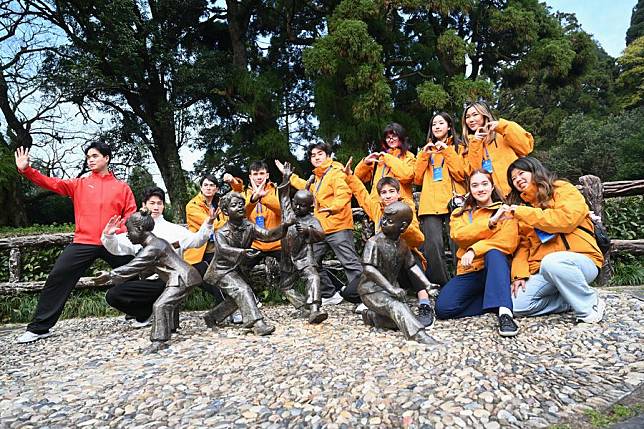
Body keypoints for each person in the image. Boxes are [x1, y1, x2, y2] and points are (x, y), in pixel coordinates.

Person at [14, 143, 137, 344]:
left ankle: (140, 313)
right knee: (57, 278)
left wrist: (118, 229)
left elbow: (130, 214)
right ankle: (39, 328)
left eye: (95, 156)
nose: (90, 159)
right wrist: (27, 170)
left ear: (106, 158)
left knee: (132, 273)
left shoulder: (122, 187)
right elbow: (50, 183)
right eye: (88, 156)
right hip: (84, 241)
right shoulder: (79, 183)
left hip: (113, 240)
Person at [506, 157, 605, 323]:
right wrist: (519, 275)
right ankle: (572, 299)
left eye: (521, 173)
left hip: (582, 260)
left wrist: (523, 213)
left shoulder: (562, 188)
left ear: (534, 171)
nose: (518, 180)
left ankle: (590, 306)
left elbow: (565, 220)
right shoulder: (524, 208)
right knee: (517, 305)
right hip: (545, 270)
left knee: (552, 262)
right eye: (513, 179)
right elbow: (523, 247)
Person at [101, 187, 216, 327]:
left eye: (159, 203)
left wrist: (209, 223)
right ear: (144, 205)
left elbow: (197, 240)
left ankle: (228, 306)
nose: (156, 207)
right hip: (150, 282)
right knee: (113, 295)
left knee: (204, 268)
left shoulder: (175, 230)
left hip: (172, 278)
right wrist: (109, 235)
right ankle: (145, 312)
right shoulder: (135, 231)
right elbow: (117, 249)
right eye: (152, 203)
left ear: (163, 205)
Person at [343, 158, 437, 328]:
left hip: (404, 257)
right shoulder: (377, 209)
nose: (388, 195)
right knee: (350, 292)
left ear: (398, 193)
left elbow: (419, 239)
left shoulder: (406, 208)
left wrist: (402, 229)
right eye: (384, 192)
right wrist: (350, 176)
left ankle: (424, 303)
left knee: (412, 259)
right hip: (383, 264)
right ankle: (378, 303)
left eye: (391, 191)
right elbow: (361, 194)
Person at [94, 209, 202, 352]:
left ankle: (159, 341)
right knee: (169, 301)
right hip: (182, 276)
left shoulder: (153, 247)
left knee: (160, 305)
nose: (127, 234)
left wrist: (110, 275)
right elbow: (147, 267)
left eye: (129, 230)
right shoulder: (156, 243)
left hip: (181, 277)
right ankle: (171, 327)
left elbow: (134, 266)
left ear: (139, 229)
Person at [435, 169, 520, 337]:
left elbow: (507, 243)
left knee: (494, 253)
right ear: (469, 190)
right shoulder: (459, 214)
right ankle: (496, 298)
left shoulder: (506, 211)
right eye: (475, 185)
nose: (480, 189)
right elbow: (460, 236)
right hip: (470, 270)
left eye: (484, 184)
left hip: (496, 269)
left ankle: (505, 313)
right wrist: (491, 222)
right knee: (443, 308)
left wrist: (475, 249)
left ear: (492, 186)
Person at [276, 142, 363, 304]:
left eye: (320, 154)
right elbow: (306, 188)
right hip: (320, 229)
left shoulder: (336, 172)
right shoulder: (318, 177)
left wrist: (334, 208)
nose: (316, 157)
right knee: (312, 261)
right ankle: (330, 294)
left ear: (328, 156)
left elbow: (344, 193)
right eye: (313, 155)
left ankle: (363, 298)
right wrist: (289, 176)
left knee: (350, 263)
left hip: (339, 226)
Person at [202, 192, 292, 335]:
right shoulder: (221, 232)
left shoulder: (249, 226)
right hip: (221, 271)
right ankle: (257, 324)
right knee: (243, 290)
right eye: (234, 205)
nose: (239, 207)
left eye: (241, 204)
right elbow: (224, 250)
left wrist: (284, 226)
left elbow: (267, 235)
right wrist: (243, 252)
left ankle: (212, 317)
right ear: (225, 211)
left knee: (235, 299)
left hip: (237, 269)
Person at [357, 202, 438, 345]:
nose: (383, 222)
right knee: (397, 307)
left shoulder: (403, 245)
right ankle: (418, 335)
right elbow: (369, 269)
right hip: (371, 290)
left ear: (402, 227)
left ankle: (372, 317)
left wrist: (427, 284)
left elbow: (411, 266)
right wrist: (391, 288)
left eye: (389, 220)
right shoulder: (374, 242)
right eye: (384, 218)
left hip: (389, 289)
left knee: (402, 318)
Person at [414, 112, 467, 286]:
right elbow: (416, 179)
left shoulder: (459, 147)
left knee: (457, 242)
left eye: (441, 123)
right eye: (434, 124)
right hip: (430, 204)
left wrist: (447, 150)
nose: (437, 127)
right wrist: (423, 155)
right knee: (433, 246)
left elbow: (461, 174)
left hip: (454, 202)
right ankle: (442, 284)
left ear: (450, 126)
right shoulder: (425, 150)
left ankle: (463, 279)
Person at [277, 162, 328, 324]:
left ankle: (314, 309)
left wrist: (307, 231)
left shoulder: (312, 220)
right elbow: (283, 196)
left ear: (310, 206)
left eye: (302, 205)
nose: (298, 207)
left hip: (304, 256)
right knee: (285, 287)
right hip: (287, 258)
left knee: (313, 277)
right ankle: (304, 307)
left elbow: (321, 235)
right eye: (296, 203)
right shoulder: (289, 214)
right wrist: (286, 178)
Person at [461, 101, 534, 196]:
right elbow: (474, 172)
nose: (471, 120)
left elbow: (526, 147)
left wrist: (503, 126)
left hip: (517, 191)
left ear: (485, 115)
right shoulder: (468, 145)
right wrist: (475, 143)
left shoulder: (503, 133)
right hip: (492, 197)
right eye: (467, 117)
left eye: (475, 115)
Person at [353, 123, 416, 201]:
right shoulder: (378, 159)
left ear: (401, 137)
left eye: (394, 136)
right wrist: (365, 163)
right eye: (388, 137)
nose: (391, 139)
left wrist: (388, 158)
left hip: (400, 207)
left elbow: (407, 176)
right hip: (377, 206)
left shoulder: (409, 156)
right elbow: (357, 178)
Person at [183, 175, 227, 276]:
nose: (208, 188)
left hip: (220, 247)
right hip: (201, 252)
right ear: (201, 187)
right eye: (205, 185)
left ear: (217, 189)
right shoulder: (192, 205)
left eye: (212, 185)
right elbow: (211, 224)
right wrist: (228, 224)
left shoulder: (220, 203)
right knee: (218, 275)